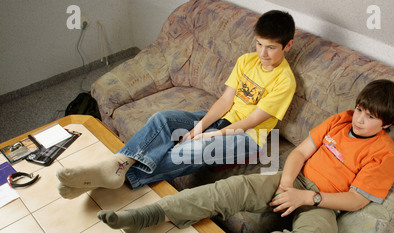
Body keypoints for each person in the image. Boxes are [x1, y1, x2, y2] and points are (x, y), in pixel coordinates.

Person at [96, 79, 394, 233]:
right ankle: (146, 216)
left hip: (322, 202)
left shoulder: (386, 155)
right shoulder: (341, 119)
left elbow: (355, 200)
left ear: (387, 125)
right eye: (361, 111)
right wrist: (287, 185)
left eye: (370, 118)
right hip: (291, 179)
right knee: (233, 189)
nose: (360, 120)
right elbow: (299, 152)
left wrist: (308, 198)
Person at [56, 10, 296, 199]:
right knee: (164, 120)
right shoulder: (247, 60)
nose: (262, 53)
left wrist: (210, 135)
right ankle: (118, 163)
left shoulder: (285, 81)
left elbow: (253, 121)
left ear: (288, 46)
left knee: (185, 151)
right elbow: (225, 101)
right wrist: (201, 127)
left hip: (248, 138)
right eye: (259, 44)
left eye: (271, 47)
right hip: (226, 118)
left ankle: (115, 179)